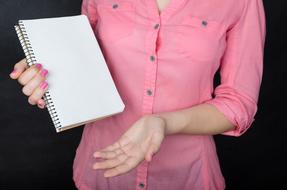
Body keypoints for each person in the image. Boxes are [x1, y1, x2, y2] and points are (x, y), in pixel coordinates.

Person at [9, 0, 266, 189]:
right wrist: (49, 74)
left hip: (188, 176)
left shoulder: (242, 3)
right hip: (101, 172)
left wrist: (164, 123)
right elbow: (84, 66)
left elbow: (239, 105)